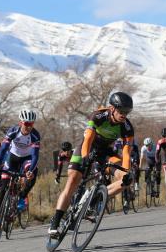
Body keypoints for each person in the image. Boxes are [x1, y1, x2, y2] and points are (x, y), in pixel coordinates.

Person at [48, 91, 134, 238]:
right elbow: (87, 139)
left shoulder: (126, 127)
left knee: (126, 179)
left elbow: (126, 152)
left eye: (127, 111)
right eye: (121, 111)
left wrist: (126, 170)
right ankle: (55, 223)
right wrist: (85, 157)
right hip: (85, 149)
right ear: (112, 108)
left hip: (105, 153)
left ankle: (93, 201)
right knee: (73, 181)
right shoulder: (99, 116)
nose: (124, 114)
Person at [0, 109, 41, 231]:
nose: (28, 127)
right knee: (3, 187)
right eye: (26, 124)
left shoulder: (35, 135)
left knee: (33, 174)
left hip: (27, 159)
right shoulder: (13, 131)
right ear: (20, 123)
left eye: (31, 124)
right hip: (12, 158)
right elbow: (2, 150)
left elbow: (35, 156)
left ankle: (22, 197)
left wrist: (30, 171)